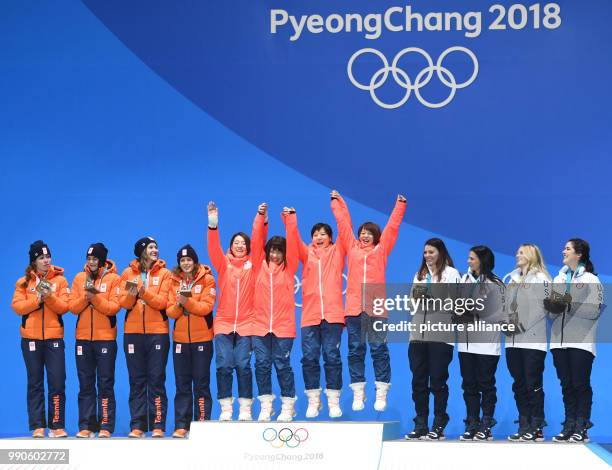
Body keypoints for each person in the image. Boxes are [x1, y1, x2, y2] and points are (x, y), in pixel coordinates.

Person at [331, 190, 406, 412]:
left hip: (377, 310)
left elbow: (392, 227)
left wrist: (400, 205)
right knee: (355, 350)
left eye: (368, 233)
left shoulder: (382, 250)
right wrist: (337, 202)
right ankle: (358, 392)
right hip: (354, 309)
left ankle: (381, 392)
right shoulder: (351, 248)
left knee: (379, 350)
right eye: (362, 232)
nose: (364, 236)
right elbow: (343, 224)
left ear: (376, 235)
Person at [285, 195, 346, 418]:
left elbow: (344, 227)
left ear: (330, 238)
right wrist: (290, 219)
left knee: (332, 356)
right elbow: (292, 240)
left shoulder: (338, 251)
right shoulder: (306, 253)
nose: (319, 237)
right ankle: (313, 399)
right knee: (309, 358)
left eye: (323, 234)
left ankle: (333, 400)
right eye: (315, 234)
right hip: (310, 316)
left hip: (332, 316)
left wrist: (337, 205)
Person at [207, 201, 268, 421]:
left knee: (243, 365)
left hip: (247, 323)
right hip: (223, 322)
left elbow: (260, 241)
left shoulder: (255, 264)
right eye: (236, 242)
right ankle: (225, 408)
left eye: (243, 243)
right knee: (224, 365)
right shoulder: (223, 264)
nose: (240, 245)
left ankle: (245, 408)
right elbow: (213, 247)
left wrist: (260, 218)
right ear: (231, 246)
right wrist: (213, 223)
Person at [11, 240, 70, 438]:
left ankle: (56, 426)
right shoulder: (24, 282)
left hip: (54, 338)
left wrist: (50, 297)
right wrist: (37, 300)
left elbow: (64, 307)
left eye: (47, 257)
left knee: (57, 381)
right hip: (31, 339)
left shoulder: (60, 281)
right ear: (34, 261)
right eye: (41, 257)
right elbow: (17, 307)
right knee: (35, 382)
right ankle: (38, 426)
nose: (46, 260)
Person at [548, 239, 602, 443]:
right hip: (558, 342)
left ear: (579, 254)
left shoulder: (591, 280)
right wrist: (553, 307)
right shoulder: (559, 278)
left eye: (567, 248)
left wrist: (569, 305)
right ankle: (569, 424)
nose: (563, 251)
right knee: (566, 385)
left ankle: (582, 426)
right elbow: (552, 313)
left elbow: (594, 310)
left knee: (580, 384)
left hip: (581, 342)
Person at [406, 238, 460, 440]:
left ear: (440, 253)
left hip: (441, 336)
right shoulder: (419, 275)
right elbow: (411, 303)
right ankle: (420, 424)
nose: (427, 256)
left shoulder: (451, 274)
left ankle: (439, 423)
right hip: (417, 336)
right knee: (418, 381)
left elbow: (457, 303)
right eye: (425, 253)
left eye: (431, 252)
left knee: (438, 381)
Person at [119, 236, 172, 438]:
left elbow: (162, 303)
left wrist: (143, 291)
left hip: (158, 333)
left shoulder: (165, 273)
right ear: (142, 251)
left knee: (156, 379)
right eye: (151, 247)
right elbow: (124, 303)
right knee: (137, 380)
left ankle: (158, 424)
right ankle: (138, 425)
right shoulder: (127, 273)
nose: (155, 250)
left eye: (156, 247)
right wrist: (134, 293)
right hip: (132, 334)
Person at [251, 208, 300, 422]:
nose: (275, 254)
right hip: (259, 326)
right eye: (272, 250)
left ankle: (288, 406)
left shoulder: (289, 269)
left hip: (283, 328)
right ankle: (266, 405)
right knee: (261, 365)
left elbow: (293, 242)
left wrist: (289, 219)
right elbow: (256, 238)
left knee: (282, 365)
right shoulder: (257, 267)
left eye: (279, 251)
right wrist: (261, 217)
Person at [68, 243, 121, 438]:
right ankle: (86, 426)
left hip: (105, 339)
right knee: (85, 384)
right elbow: (72, 307)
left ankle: (106, 425)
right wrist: (85, 298)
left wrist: (95, 298)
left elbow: (114, 307)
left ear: (102, 260)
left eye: (95, 259)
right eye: (89, 258)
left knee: (105, 383)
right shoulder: (79, 278)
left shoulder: (114, 279)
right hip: (82, 339)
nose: (91, 262)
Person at [166, 244, 216, 438]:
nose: (186, 263)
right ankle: (181, 425)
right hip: (180, 341)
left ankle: (202, 423)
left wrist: (187, 302)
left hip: (202, 339)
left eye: (189, 260)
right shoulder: (174, 281)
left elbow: (206, 308)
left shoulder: (207, 280)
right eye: (182, 260)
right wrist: (180, 304)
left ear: (195, 261)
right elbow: (170, 311)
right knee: (182, 384)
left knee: (201, 383)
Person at [503, 244, 550, 442]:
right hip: (512, 342)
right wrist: (504, 323)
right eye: (517, 251)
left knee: (533, 384)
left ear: (532, 255)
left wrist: (522, 325)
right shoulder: (511, 279)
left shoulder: (542, 279)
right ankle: (524, 424)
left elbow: (543, 308)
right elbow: (505, 306)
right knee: (519, 384)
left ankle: (536, 426)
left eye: (521, 252)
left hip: (532, 341)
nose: (517, 254)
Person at [457, 246, 505, 441]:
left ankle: (486, 424)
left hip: (487, 344)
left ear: (482, 260)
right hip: (465, 344)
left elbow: (501, 313)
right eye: (468, 258)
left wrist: (476, 314)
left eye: (472, 258)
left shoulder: (496, 283)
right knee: (469, 385)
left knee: (486, 384)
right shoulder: (463, 280)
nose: (468, 262)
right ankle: (472, 423)